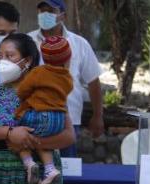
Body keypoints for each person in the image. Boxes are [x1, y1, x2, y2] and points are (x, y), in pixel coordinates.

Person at [0, 33, 75, 184]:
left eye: (10, 56)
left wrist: (28, 141)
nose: (2, 61)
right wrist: (9, 133)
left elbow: (69, 136)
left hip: (42, 174)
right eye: (0, 56)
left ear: (28, 61)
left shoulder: (49, 91)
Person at [28, 0, 104, 157]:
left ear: (62, 15)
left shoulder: (79, 44)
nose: (44, 15)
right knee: (35, 170)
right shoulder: (27, 42)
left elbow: (93, 81)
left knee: (68, 171)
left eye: (50, 11)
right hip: (34, 119)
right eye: (42, 11)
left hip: (68, 121)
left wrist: (98, 116)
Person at [14, 35, 73, 184]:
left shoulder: (38, 72)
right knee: (43, 140)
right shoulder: (68, 78)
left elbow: (22, 90)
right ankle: (50, 169)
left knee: (16, 133)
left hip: (40, 115)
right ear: (67, 59)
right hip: (58, 119)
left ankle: (29, 163)